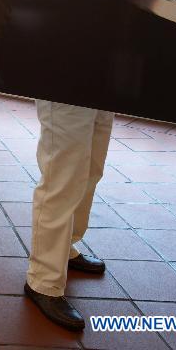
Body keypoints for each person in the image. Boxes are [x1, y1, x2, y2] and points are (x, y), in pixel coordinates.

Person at [25, 101, 113, 330]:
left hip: (101, 79)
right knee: (62, 177)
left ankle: (64, 247)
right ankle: (43, 280)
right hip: (65, 78)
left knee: (91, 169)